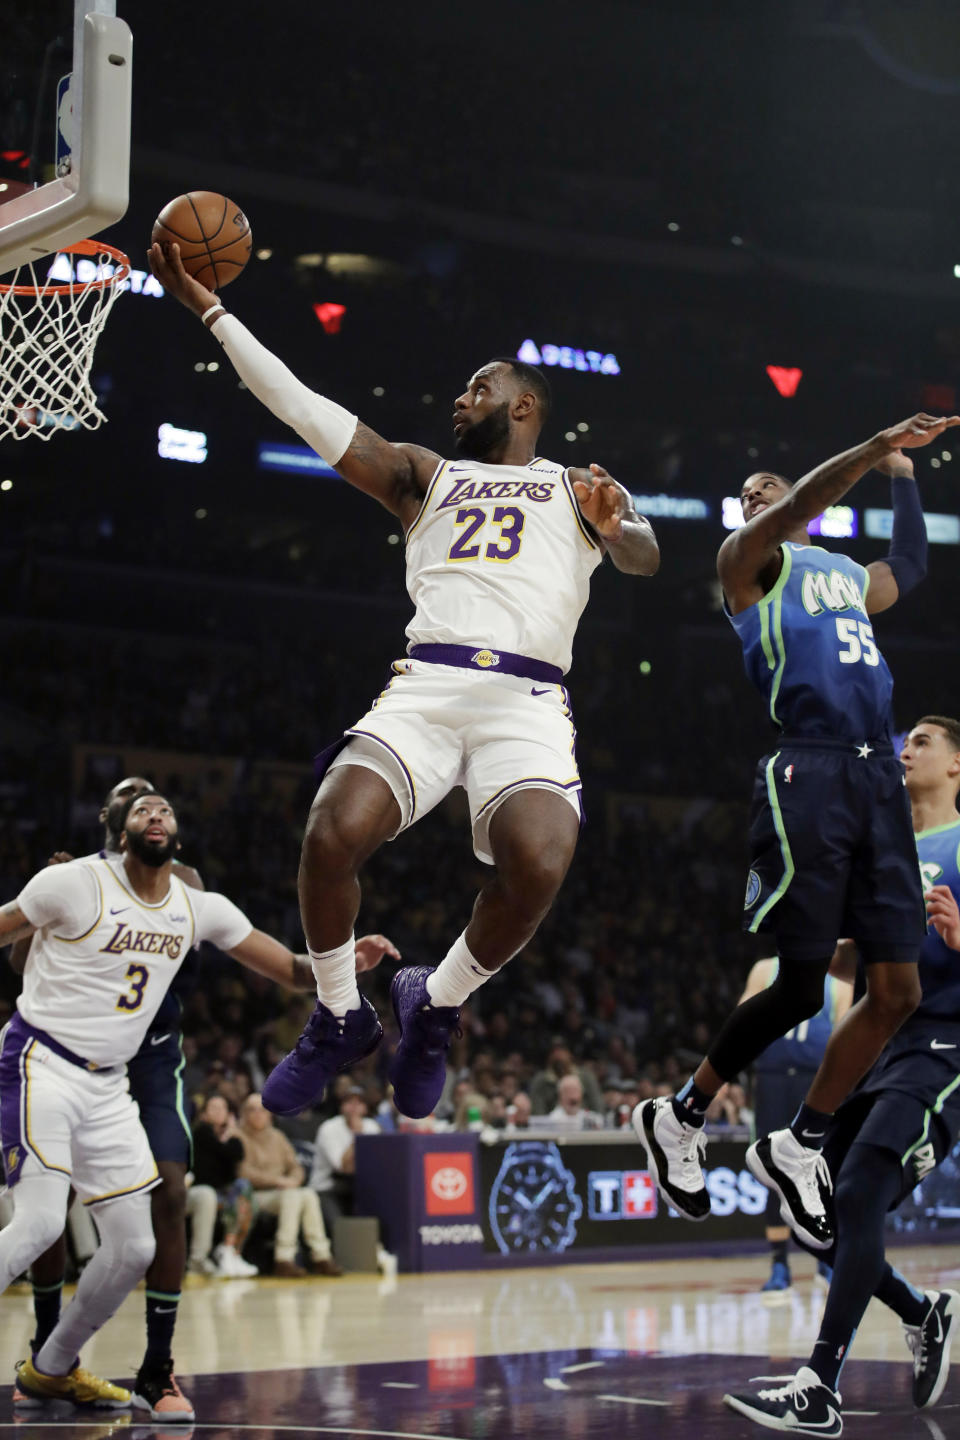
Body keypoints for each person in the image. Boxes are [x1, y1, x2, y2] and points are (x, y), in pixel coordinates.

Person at [149, 240, 660, 1126]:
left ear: (525, 404)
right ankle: (342, 1014)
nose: (461, 398)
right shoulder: (427, 475)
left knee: (539, 862)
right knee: (330, 831)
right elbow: (308, 411)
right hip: (426, 685)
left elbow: (650, 559)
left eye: (478, 387)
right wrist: (214, 313)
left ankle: (437, 1002)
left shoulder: (579, 488)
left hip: (526, 703)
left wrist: (621, 531)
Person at [635, 418, 957, 1250]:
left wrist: (903, 477)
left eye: (764, 487)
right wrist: (867, 450)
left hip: (874, 776)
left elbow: (914, 565)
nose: (753, 496)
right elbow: (805, 498)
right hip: (808, 769)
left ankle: (801, 1141)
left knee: (897, 991)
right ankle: (682, 1115)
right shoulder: (747, 566)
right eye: (743, 496)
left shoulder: (845, 574)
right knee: (801, 984)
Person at [4, 777, 397, 1421]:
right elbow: (18, 953)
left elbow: (292, 968)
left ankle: (103, 1369)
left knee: (147, 1230)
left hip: (127, 1070)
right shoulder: (74, 880)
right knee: (45, 1217)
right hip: (46, 1058)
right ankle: (53, 1357)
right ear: (115, 822)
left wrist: (343, 961)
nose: (153, 807)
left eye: (163, 804)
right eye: (139, 803)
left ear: (176, 830)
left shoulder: (195, 900)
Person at [725, 714, 960, 1433]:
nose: (906, 748)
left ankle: (818, 1385)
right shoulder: (879, 847)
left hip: (945, 1051)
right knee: (812, 1213)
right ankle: (920, 1312)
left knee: (855, 1192)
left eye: (923, 741)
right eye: (904, 740)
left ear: (957, 767)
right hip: (876, 1052)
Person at [740, 956, 852, 1301]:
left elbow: (845, 1034)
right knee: (774, 1169)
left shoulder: (840, 981)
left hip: (816, 1080)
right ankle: (779, 1264)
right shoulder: (764, 969)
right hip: (772, 1078)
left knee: (820, 1169)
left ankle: (825, 1258)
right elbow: (743, 1020)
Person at [239, 1092, 341, 1278]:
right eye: (251, 1110)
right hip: (253, 1194)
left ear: (269, 1114)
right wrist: (278, 1181)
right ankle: (284, 1259)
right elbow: (243, 1172)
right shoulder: (238, 1136)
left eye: (261, 1110)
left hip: (281, 1192)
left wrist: (294, 1179)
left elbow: (295, 1166)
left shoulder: (277, 1136)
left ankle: (321, 1257)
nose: (257, 1114)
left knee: (308, 1194)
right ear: (244, 1113)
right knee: (293, 1196)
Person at [191, 1093, 257, 1278]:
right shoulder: (201, 1132)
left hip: (224, 1190)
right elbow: (223, 1153)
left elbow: (238, 1155)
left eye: (222, 1108)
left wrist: (230, 1136)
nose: (218, 1112)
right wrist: (229, 1134)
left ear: (229, 1113)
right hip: (205, 1189)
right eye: (213, 1108)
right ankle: (225, 1252)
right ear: (204, 1113)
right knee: (236, 1198)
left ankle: (231, 1251)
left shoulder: (231, 1139)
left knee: (245, 1190)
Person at [310, 1087, 380, 1234]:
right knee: (340, 1229)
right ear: (341, 1107)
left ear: (365, 1108)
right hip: (327, 1188)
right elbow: (343, 1167)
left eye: (359, 1103)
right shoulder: (329, 1128)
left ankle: (378, 1252)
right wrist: (357, 1136)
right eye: (349, 1102)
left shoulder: (372, 1126)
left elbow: (379, 1164)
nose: (354, 1107)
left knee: (380, 1216)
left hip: (358, 1186)